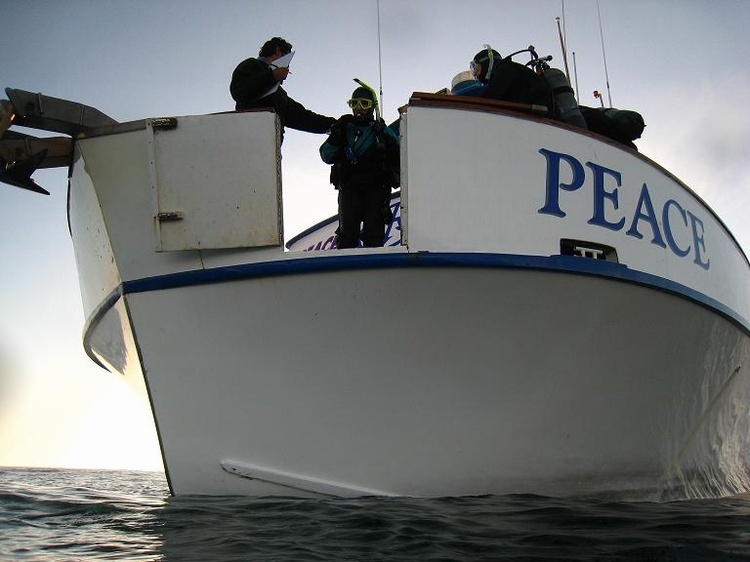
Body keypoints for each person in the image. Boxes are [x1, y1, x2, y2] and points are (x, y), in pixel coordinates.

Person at [320, 85, 399, 249]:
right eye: (354, 103)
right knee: (347, 235)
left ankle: (374, 269)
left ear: (372, 106)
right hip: (349, 189)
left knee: (374, 236)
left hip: (376, 189)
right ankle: (344, 271)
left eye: (364, 103)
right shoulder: (344, 127)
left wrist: (386, 138)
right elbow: (326, 155)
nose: (359, 108)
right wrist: (335, 138)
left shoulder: (381, 131)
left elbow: (399, 153)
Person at [230, 37, 335, 138]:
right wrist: (272, 76)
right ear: (278, 51)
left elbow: (303, 118)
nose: (287, 70)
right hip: (247, 141)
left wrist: (334, 125)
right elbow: (239, 91)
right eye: (287, 63)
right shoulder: (252, 65)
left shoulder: (280, 95)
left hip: (270, 149)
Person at [470, 47, 553, 114]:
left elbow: (489, 97)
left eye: (477, 69)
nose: (476, 74)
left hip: (541, 117)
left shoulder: (505, 69)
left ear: (487, 62)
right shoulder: (508, 70)